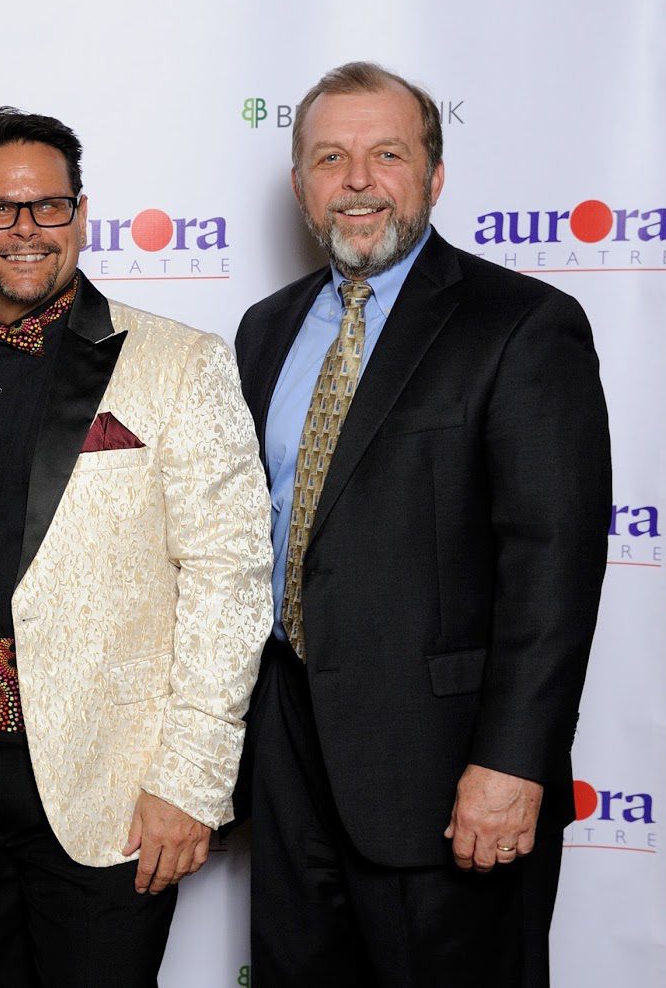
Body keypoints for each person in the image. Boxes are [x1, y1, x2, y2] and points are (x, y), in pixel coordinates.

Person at [0, 107, 272, 987]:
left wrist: (192, 782)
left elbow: (231, 581)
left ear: (81, 217)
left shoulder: (179, 363)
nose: (25, 231)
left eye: (48, 208)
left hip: (107, 789)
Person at [233, 61, 611, 986]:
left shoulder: (523, 325)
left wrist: (513, 765)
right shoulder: (264, 329)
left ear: (434, 176)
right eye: (330, 157)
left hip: (447, 774)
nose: (357, 179)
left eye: (386, 154)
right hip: (287, 761)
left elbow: (553, 565)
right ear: (300, 185)